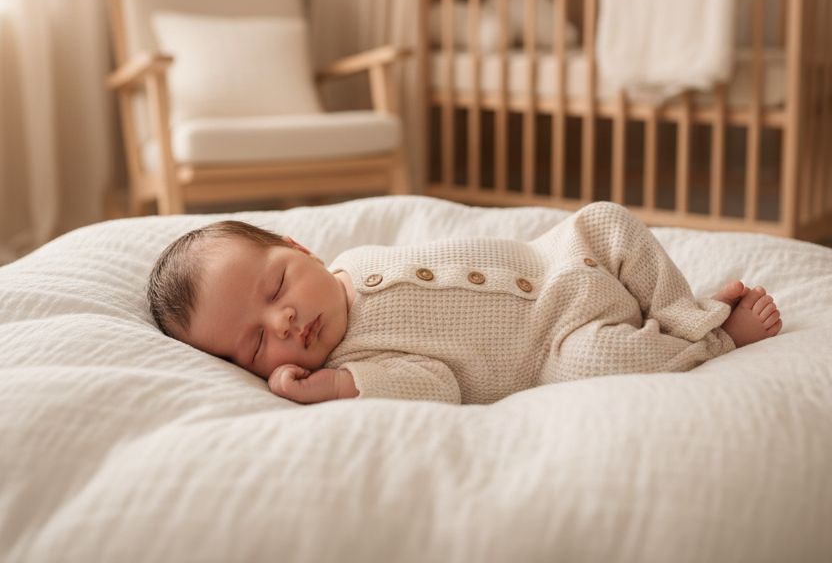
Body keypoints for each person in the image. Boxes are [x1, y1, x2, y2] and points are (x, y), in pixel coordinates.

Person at [147, 202, 782, 406]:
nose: (282, 321)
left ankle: (681, 312)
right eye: (256, 344)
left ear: (300, 247)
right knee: (599, 363)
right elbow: (439, 386)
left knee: (608, 218)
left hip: (560, 256)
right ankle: (715, 338)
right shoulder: (355, 358)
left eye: (277, 287)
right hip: (553, 347)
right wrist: (333, 388)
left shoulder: (353, 262)